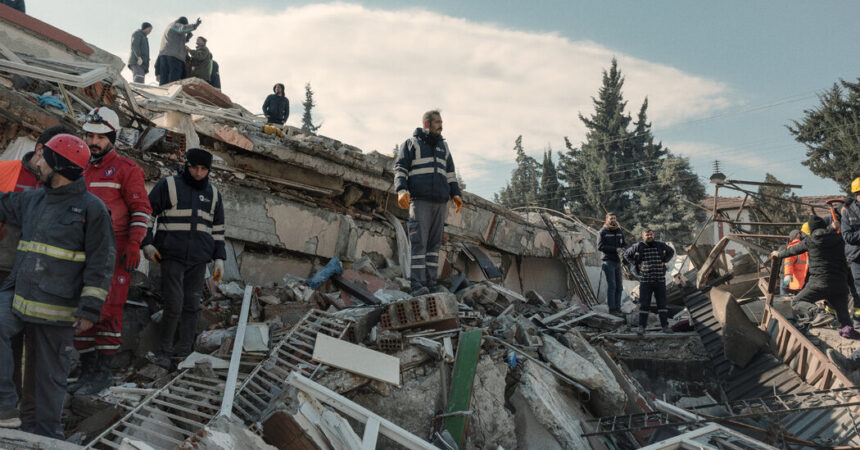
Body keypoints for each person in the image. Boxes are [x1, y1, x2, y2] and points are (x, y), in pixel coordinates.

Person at [0, 134, 114, 437]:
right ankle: (5, 407)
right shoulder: (36, 199)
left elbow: (101, 262)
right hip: (20, 298)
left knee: (46, 382)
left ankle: (46, 438)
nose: (37, 162)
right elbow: (3, 204)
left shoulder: (92, 209)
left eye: (43, 158)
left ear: (57, 166)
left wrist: (89, 308)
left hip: (57, 310)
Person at [71, 107, 152, 396]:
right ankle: (87, 369)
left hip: (114, 252)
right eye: (89, 135)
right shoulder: (77, 168)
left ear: (112, 137)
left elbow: (142, 210)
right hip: (81, 251)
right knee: (84, 309)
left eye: (99, 137)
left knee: (109, 310)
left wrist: (134, 243)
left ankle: (103, 372)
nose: (93, 142)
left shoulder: (127, 170)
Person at [143, 148, 224, 368]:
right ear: (186, 165)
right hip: (171, 256)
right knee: (174, 305)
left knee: (192, 306)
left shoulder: (214, 194)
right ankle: (164, 352)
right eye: (194, 168)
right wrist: (147, 243)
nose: (198, 173)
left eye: (203, 169)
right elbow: (146, 215)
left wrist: (219, 258)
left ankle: (184, 353)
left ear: (208, 170)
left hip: (199, 259)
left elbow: (217, 229)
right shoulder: (168, 185)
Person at [394, 110, 463, 295]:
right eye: (437, 122)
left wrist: (456, 194)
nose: (441, 125)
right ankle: (417, 285)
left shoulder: (444, 147)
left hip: (440, 203)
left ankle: (431, 284)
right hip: (420, 201)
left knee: (433, 247)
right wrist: (401, 190)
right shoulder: (411, 144)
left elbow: (450, 173)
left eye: (441, 122)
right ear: (427, 124)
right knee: (419, 244)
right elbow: (400, 169)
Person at [772, 215, 859, 339]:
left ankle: (819, 313)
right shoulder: (839, 238)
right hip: (840, 285)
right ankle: (852, 340)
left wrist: (778, 254)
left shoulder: (811, 240)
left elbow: (792, 251)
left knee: (797, 302)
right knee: (844, 318)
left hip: (819, 283)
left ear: (811, 229)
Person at [624, 228, 674, 333]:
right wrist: (635, 263)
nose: (649, 236)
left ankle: (665, 326)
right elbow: (626, 255)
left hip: (659, 280)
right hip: (645, 280)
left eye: (651, 234)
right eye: (647, 235)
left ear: (653, 235)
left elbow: (671, 251)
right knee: (644, 304)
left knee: (662, 304)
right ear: (643, 236)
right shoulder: (638, 246)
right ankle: (642, 327)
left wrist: (664, 260)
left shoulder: (660, 245)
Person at [157, 16, 201, 85]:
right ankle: (171, 93)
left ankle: (162, 93)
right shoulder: (176, 25)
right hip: (174, 57)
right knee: (174, 78)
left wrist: (188, 37)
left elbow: (176, 41)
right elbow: (183, 28)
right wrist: (195, 25)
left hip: (164, 55)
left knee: (164, 77)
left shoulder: (169, 27)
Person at [598, 212, 626, 315]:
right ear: (606, 220)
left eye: (614, 218)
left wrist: (623, 248)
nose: (613, 220)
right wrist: (615, 249)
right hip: (608, 261)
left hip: (618, 262)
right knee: (612, 286)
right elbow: (600, 247)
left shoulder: (619, 230)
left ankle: (618, 308)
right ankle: (612, 309)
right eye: (611, 219)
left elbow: (624, 243)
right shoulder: (602, 231)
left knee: (619, 286)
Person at [781, 228, 807, 295]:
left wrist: (788, 275)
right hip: (804, 281)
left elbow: (788, 262)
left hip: (794, 280)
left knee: (785, 295)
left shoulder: (792, 247)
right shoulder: (806, 246)